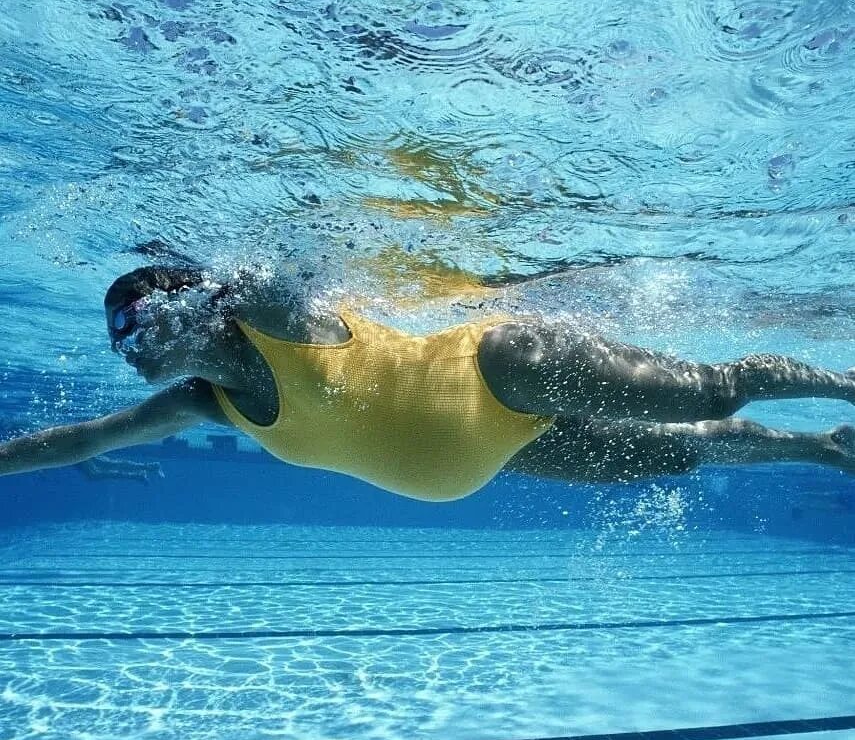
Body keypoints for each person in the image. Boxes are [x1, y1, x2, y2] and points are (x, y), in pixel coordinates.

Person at [0, 256, 853, 501]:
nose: (124, 341)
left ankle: (844, 381)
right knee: (669, 458)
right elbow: (83, 437)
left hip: (499, 372)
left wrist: (215, 282)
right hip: (492, 453)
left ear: (187, 307)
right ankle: (823, 447)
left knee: (706, 392)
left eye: (135, 316)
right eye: (116, 329)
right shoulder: (199, 399)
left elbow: (270, 274)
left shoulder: (280, 321)